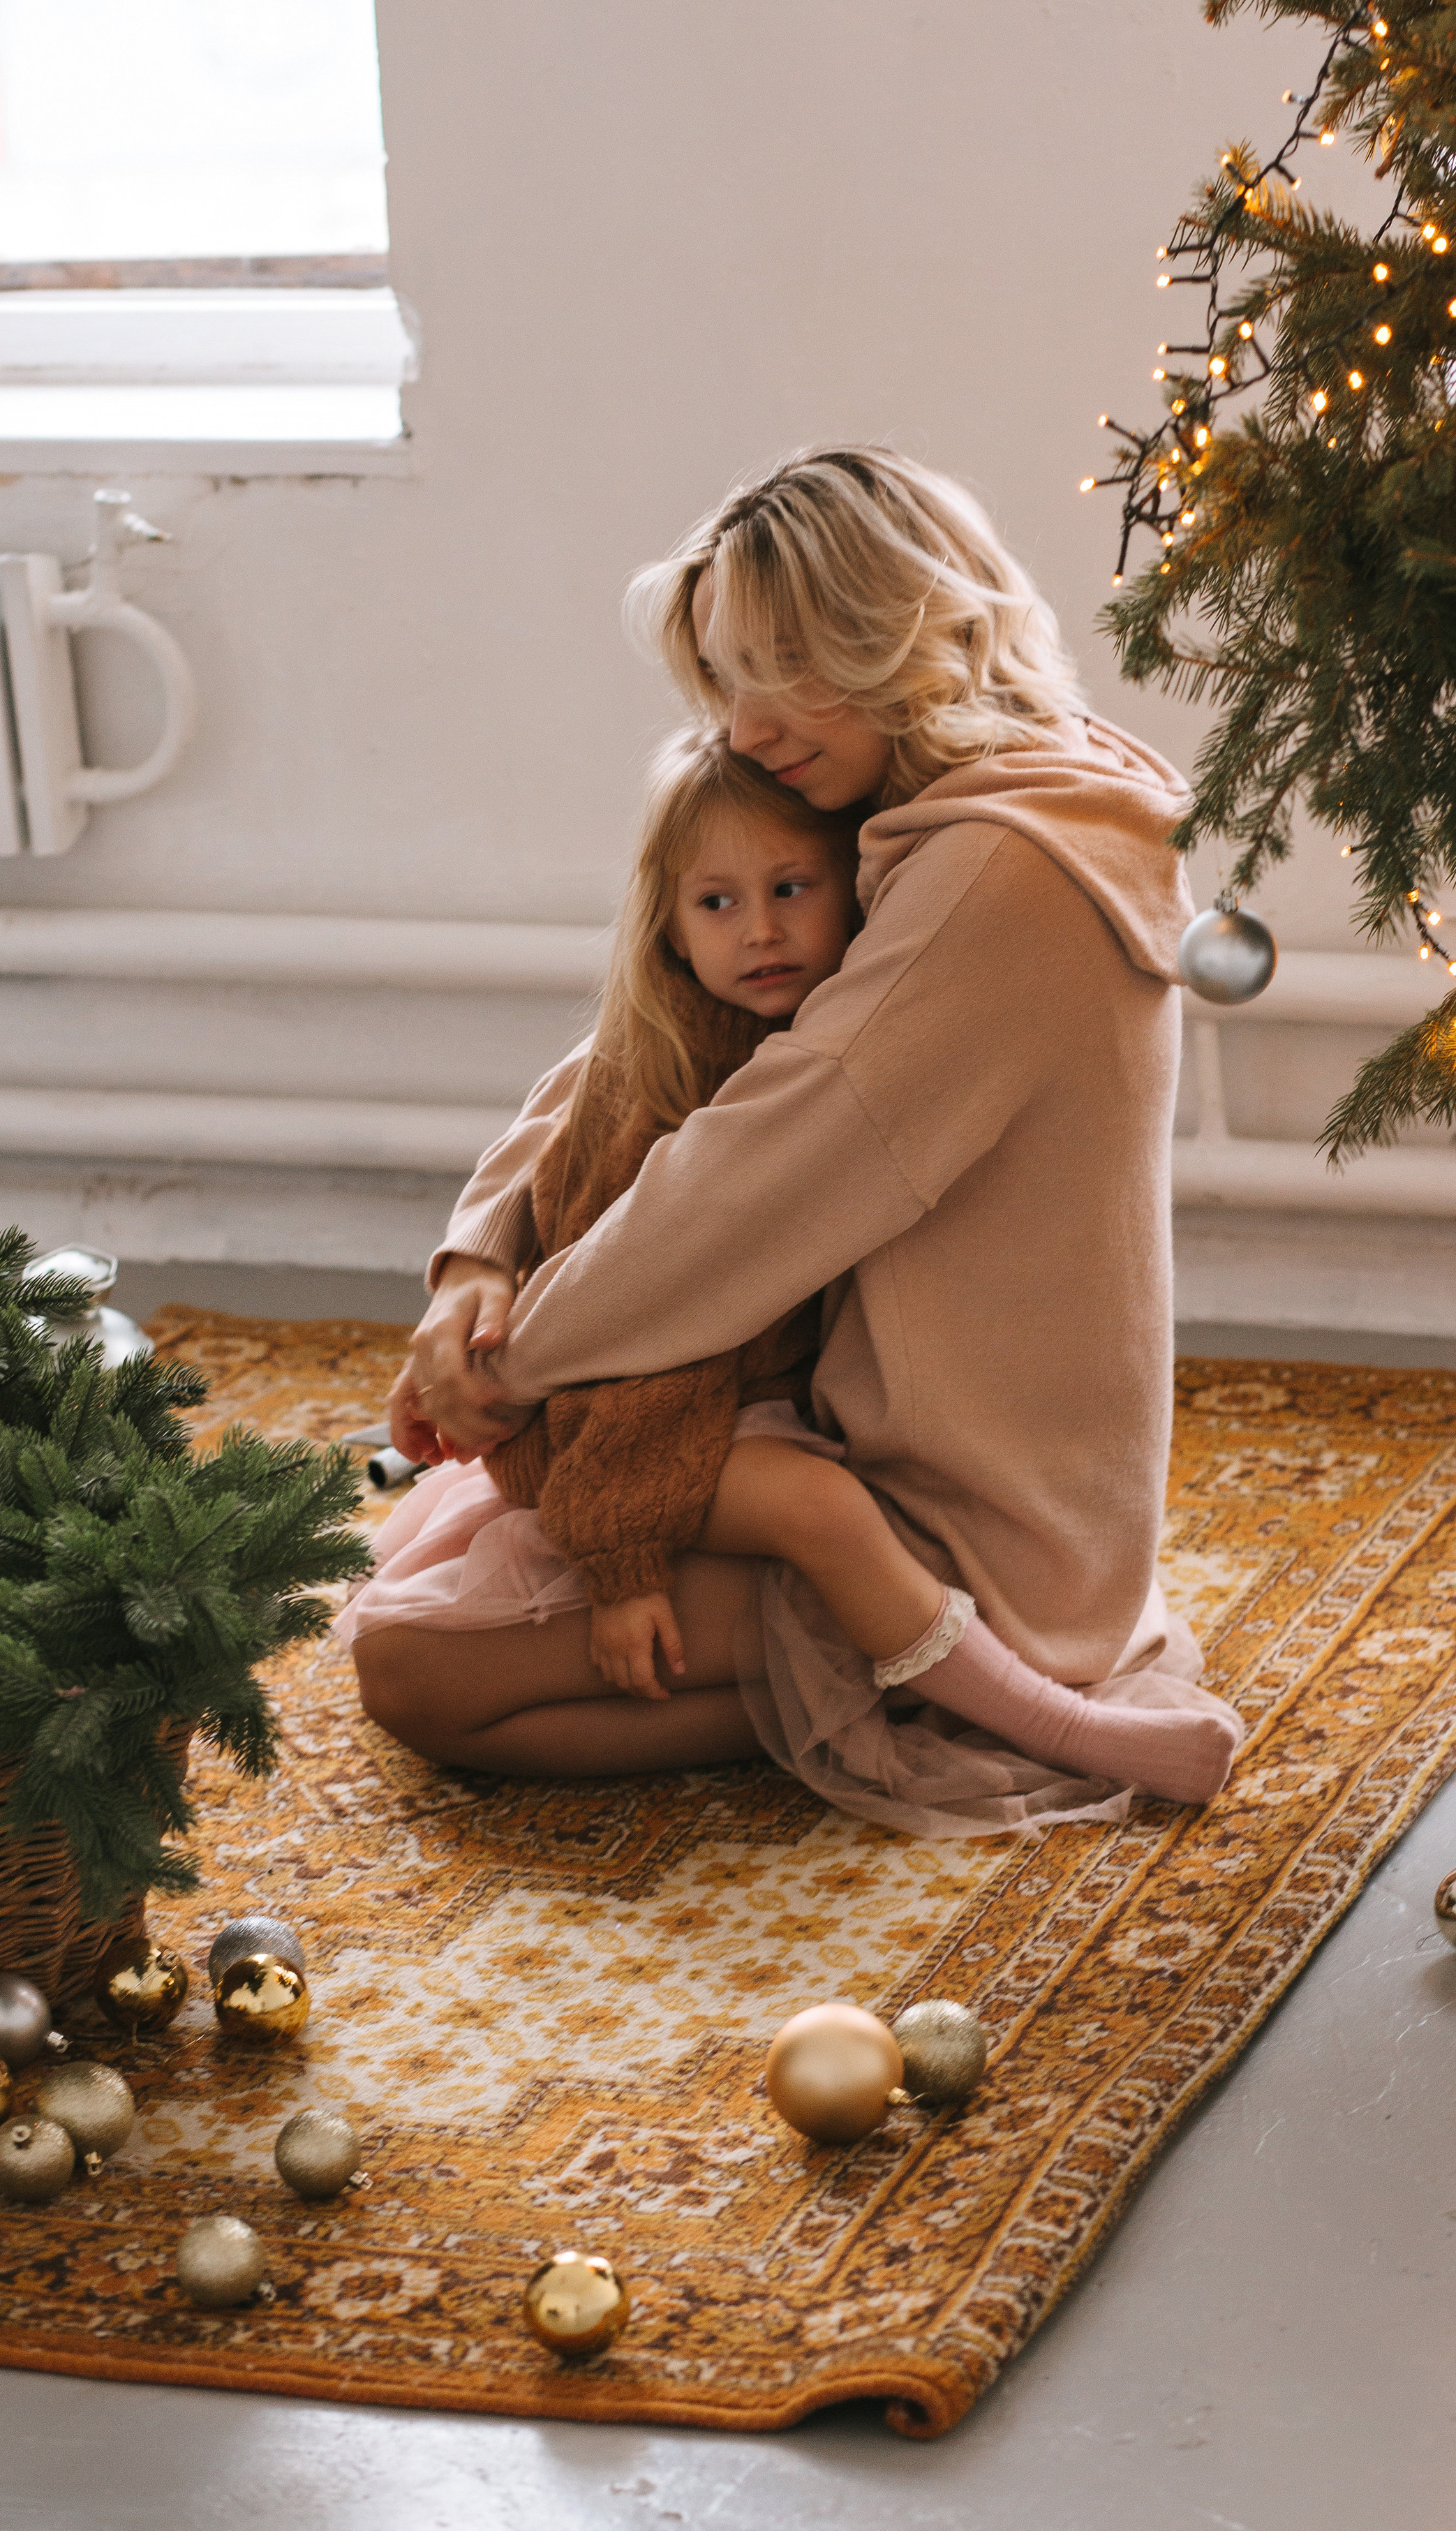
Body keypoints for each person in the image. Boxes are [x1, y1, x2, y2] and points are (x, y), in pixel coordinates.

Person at [351, 446, 1243, 1834]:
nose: (748, 723)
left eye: (784, 666)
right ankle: (885, 1681)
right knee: (457, 1549)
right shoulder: (969, 799)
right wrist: (476, 1267)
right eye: (721, 680)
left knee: (413, 1669)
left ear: (899, 626)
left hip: (949, 1510)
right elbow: (642, 1050)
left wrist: (511, 1363)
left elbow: (739, 1190)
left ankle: (943, 1686)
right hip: (849, 1424)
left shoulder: (992, 875)